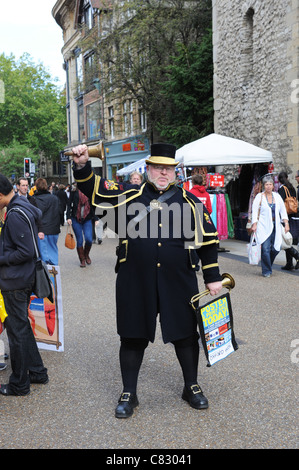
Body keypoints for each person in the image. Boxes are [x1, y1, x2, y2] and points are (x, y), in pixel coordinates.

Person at [71, 142, 223, 419]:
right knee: (132, 335)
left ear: (174, 172)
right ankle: (129, 392)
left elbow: (209, 242)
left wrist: (212, 277)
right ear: (149, 168)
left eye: (168, 168)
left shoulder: (191, 202)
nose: (163, 173)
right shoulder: (128, 194)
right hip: (135, 279)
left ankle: (192, 385)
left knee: (187, 336)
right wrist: (82, 164)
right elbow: (93, 189)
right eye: (158, 167)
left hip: (179, 280)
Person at [0, 174, 48, 396]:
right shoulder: (22, 204)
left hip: (16, 280)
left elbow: (25, 251)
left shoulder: (15, 213)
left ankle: (19, 383)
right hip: (22, 277)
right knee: (22, 328)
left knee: (17, 333)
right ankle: (37, 372)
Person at [251, 175, 289, 277]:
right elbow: (254, 211)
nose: (268, 186)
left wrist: (286, 223)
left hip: (275, 225)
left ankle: (267, 264)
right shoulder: (259, 196)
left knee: (277, 248)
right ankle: (266, 270)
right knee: (265, 249)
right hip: (263, 226)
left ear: (273, 186)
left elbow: (283, 210)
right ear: (264, 186)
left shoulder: (277, 196)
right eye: (266, 184)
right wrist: (254, 224)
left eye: (270, 184)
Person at [30, 178, 61, 266]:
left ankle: (46, 278)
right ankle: (54, 276)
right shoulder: (54, 198)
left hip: (41, 230)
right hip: (54, 229)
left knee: (43, 257)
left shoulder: (33, 200)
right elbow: (60, 211)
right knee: (53, 252)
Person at [66, 184, 96, 267]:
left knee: (89, 239)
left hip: (87, 218)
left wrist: (96, 218)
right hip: (76, 219)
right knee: (79, 240)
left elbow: (93, 205)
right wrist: (68, 217)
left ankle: (86, 255)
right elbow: (69, 204)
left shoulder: (90, 191)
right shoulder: (74, 191)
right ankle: (82, 259)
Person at [278, 171, 299, 270]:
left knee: (285, 239)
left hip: (286, 217)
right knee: (287, 239)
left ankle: (297, 256)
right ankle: (289, 263)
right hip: (293, 215)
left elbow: (280, 205)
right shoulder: (292, 188)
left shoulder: (282, 189)